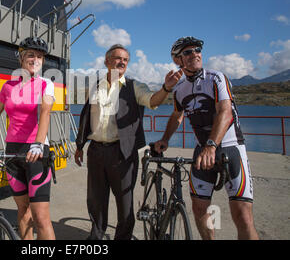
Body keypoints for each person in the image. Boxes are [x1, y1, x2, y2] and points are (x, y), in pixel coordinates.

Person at [154, 36, 259, 240]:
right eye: (187, 52)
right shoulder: (180, 90)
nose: (194, 54)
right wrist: (165, 139)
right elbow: (177, 116)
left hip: (230, 149)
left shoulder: (216, 78)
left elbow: (225, 112)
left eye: (197, 50)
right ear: (178, 60)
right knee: (200, 210)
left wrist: (211, 145)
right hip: (203, 151)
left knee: (243, 216)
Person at [75, 44, 182, 240]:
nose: (122, 62)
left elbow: (153, 101)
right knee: (96, 200)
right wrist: (80, 146)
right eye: (117, 58)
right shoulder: (96, 86)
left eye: (125, 59)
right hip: (96, 152)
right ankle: (96, 237)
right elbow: (85, 117)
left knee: (125, 203)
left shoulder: (134, 87)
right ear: (107, 62)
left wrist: (166, 88)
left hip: (122, 153)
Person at [0, 37, 56, 240]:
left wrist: (39, 143)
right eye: (31, 55)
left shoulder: (46, 84)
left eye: (40, 56)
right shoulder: (8, 87)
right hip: (12, 152)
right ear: (22, 58)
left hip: (37, 151)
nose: (35, 59)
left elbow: (45, 113)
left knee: (41, 217)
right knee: (23, 211)